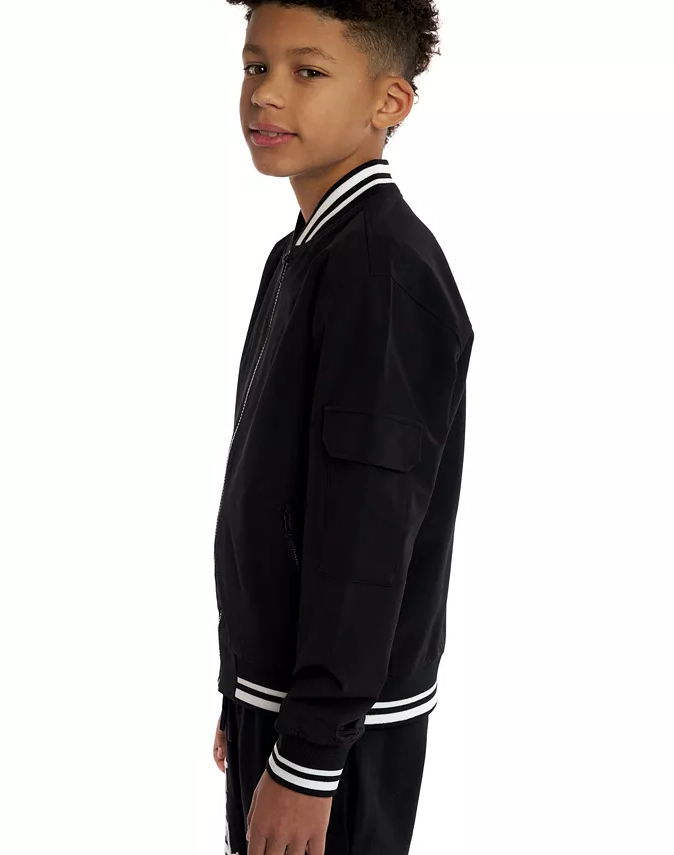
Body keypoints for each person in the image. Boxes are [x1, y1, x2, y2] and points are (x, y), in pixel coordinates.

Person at [212, 2, 474, 853]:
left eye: (308, 71)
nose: (267, 94)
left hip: (339, 731)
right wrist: (244, 688)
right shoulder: (303, 253)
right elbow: (277, 495)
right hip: (288, 701)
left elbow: (366, 533)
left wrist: (309, 756)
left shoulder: (378, 272)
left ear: (388, 101)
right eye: (257, 66)